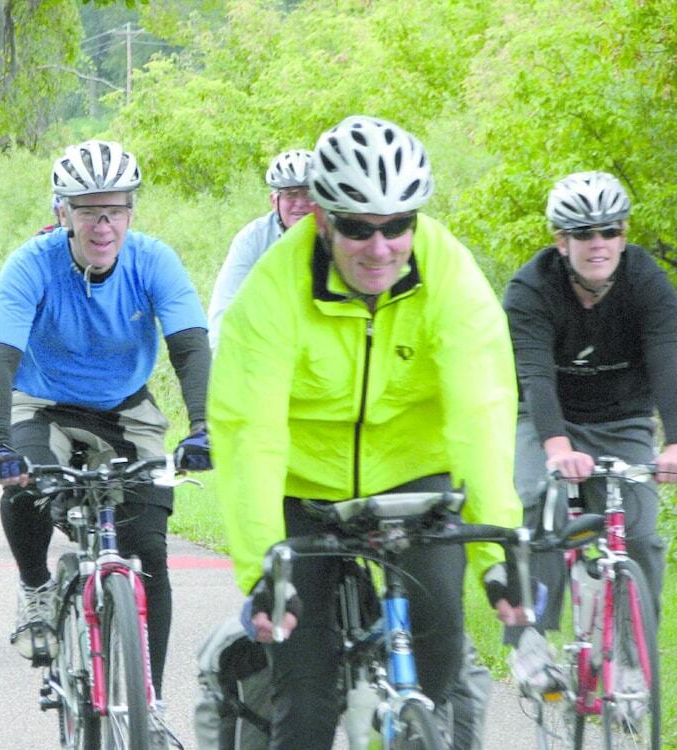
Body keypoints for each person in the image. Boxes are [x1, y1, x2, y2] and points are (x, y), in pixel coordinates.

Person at [208, 115, 525, 750]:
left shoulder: (450, 275)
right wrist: (263, 568)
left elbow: (481, 411)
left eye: (398, 225)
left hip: (414, 475)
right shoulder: (273, 289)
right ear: (323, 221)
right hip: (304, 486)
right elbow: (250, 433)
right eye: (357, 228)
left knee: (438, 652)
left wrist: (497, 557)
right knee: (305, 698)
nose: (379, 248)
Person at [0, 139, 212, 701]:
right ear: (63, 212)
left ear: (131, 211)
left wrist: (203, 427)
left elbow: (190, 348)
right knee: (26, 483)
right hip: (43, 402)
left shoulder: (153, 260)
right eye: (88, 212)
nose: (103, 226)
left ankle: (149, 704)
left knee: (149, 551)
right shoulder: (31, 264)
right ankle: (36, 586)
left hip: (125, 407)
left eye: (115, 210)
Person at [503, 170, 677, 632]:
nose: (597, 243)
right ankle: (530, 639)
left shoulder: (647, 281)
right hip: (546, 419)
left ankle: (633, 653)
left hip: (622, 418)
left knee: (638, 534)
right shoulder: (530, 289)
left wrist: (675, 442)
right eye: (582, 233)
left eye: (609, 231)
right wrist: (557, 447)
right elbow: (535, 375)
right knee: (542, 508)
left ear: (624, 236)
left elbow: (667, 360)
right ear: (561, 241)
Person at [206, 149, 314, 349]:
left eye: (308, 193)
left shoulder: (338, 237)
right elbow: (225, 306)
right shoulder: (253, 239)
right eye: (290, 194)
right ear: (274, 201)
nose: (300, 203)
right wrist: (220, 358)